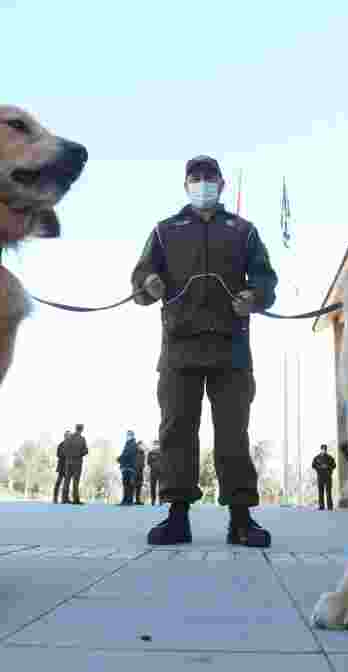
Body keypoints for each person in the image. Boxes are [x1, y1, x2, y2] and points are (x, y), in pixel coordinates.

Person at [131, 154, 279, 547]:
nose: (203, 182)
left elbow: (265, 278)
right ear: (185, 185)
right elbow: (140, 277)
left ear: (222, 184)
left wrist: (255, 296)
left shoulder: (243, 230)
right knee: (176, 430)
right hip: (180, 348)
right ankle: (176, 517)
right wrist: (149, 283)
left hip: (231, 349)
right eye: (195, 177)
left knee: (234, 433)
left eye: (209, 176)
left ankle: (242, 519)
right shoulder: (165, 231)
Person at [61, 423, 88, 504]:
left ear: (75, 428)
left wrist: (68, 456)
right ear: (82, 429)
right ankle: (76, 500)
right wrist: (80, 454)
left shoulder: (69, 438)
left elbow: (64, 449)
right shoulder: (82, 439)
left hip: (68, 462)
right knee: (76, 481)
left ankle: (64, 499)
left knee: (67, 480)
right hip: (77, 462)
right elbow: (85, 451)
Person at [311, 444, 337, 511]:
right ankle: (321, 506)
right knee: (320, 492)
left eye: (325, 449)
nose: (324, 450)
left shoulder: (330, 457)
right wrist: (320, 467)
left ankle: (330, 506)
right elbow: (313, 465)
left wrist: (328, 467)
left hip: (328, 477)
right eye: (322, 449)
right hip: (320, 477)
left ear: (326, 449)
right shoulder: (317, 457)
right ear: (321, 449)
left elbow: (334, 465)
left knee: (328, 492)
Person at [118, 430, 139, 505]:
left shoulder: (133, 444)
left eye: (129, 435)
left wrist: (120, 458)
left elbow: (128, 454)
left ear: (132, 435)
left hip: (129, 466)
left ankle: (128, 500)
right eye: (127, 435)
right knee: (126, 484)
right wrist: (121, 459)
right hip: (126, 466)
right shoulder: (128, 443)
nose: (127, 436)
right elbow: (125, 454)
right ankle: (126, 500)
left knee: (128, 484)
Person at [52, 430, 71, 504]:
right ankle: (55, 499)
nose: (69, 436)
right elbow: (58, 454)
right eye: (67, 435)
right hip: (61, 467)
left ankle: (65, 499)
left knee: (67, 484)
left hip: (69, 468)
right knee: (58, 483)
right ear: (65, 436)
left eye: (70, 435)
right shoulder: (61, 445)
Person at [147, 440, 163, 505]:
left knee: (161, 487)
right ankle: (153, 500)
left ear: (159, 445)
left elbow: (165, 461)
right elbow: (148, 462)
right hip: (153, 472)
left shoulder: (162, 452)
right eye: (155, 444)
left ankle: (161, 500)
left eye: (157, 444)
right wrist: (153, 465)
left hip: (161, 472)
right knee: (152, 486)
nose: (156, 446)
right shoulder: (150, 453)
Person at [134, 440, 147, 504]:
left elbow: (143, 462)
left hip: (140, 470)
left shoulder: (142, 452)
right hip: (134, 470)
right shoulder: (134, 451)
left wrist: (143, 467)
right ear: (138, 445)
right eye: (141, 445)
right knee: (133, 485)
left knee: (139, 485)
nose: (142, 446)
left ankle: (138, 500)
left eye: (142, 445)